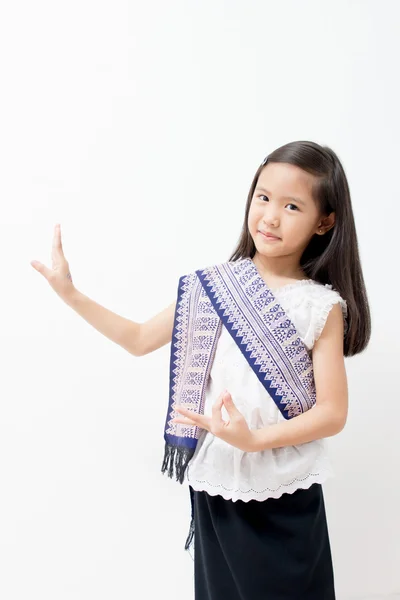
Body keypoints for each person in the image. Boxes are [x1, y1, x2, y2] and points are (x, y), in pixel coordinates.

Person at [31, 140, 371, 600]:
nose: (270, 216)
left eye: (292, 206)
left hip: (289, 488)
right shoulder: (212, 288)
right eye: (263, 197)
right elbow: (137, 339)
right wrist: (72, 295)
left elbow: (332, 413)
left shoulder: (320, 305)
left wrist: (255, 440)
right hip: (220, 485)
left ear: (324, 221)